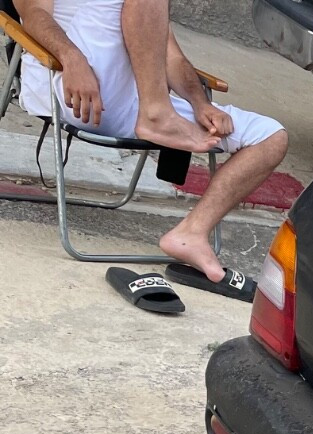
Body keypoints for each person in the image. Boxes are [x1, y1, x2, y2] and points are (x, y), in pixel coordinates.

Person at [16, 0, 288, 284]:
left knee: (270, 136)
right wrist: (72, 59)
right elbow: (33, 14)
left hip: (133, 98)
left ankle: (191, 233)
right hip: (66, 84)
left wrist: (200, 104)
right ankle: (156, 114)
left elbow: (171, 57)